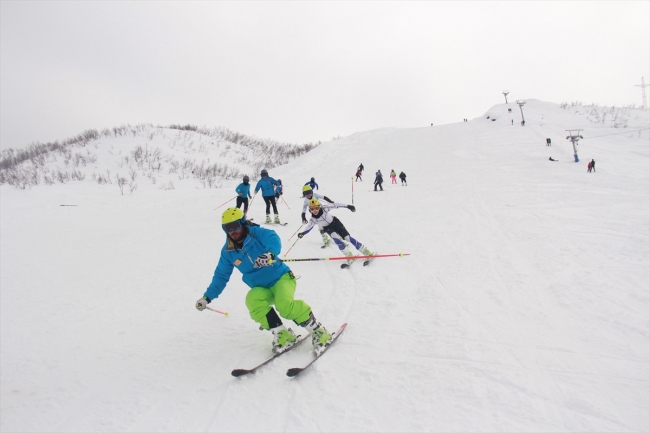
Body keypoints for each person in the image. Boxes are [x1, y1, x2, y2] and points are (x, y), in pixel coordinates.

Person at [195, 207, 333, 355]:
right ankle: (282, 334)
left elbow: (273, 239)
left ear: (242, 223)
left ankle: (318, 331)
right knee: (252, 299)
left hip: (281, 278)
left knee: (285, 306)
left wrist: (269, 254)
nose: (231, 231)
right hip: (262, 287)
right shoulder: (228, 252)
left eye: (234, 226)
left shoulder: (257, 234)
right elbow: (221, 276)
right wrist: (207, 297)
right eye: (227, 228)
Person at [298, 198, 373, 265]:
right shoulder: (313, 219)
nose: (315, 211)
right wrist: (303, 233)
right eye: (312, 209)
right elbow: (309, 227)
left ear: (319, 207)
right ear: (310, 210)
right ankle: (349, 255)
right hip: (328, 228)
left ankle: (365, 251)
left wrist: (348, 206)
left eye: (316, 208)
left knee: (347, 238)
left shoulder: (325, 208)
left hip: (335, 222)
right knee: (336, 239)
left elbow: (335, 205)